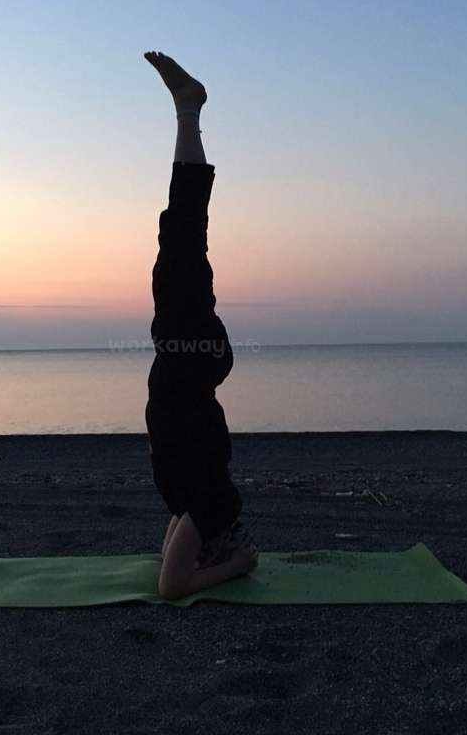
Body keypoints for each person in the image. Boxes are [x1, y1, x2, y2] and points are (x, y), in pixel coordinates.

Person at [143, 51, 259, 601]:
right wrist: (235, 567)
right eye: (202, 553)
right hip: (189, 356)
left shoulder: (194, 508)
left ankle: (187, 110)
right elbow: (173, 587)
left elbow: (169, 565)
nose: (190, 550)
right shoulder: (215, 506)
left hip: (187, 358)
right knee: (182, 233)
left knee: (178, 238)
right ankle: (188, 110)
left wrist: (220, 560)